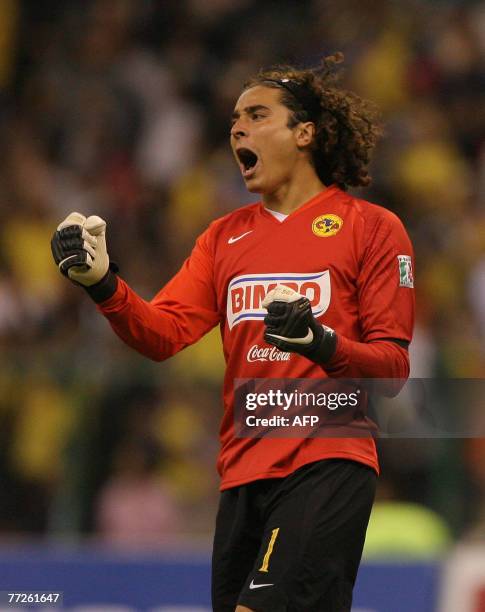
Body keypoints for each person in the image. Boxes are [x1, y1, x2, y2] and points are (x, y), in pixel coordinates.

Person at [51, 54, 415, 612]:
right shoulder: (224, 238)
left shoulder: (371, 228)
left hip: (327, 460)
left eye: (257, 115)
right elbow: (163, 335)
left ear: (304, 133)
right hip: (242, 472)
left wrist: (321, 343)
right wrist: (103, 284)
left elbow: (392, 369)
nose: (237, 128)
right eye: (233, 122)